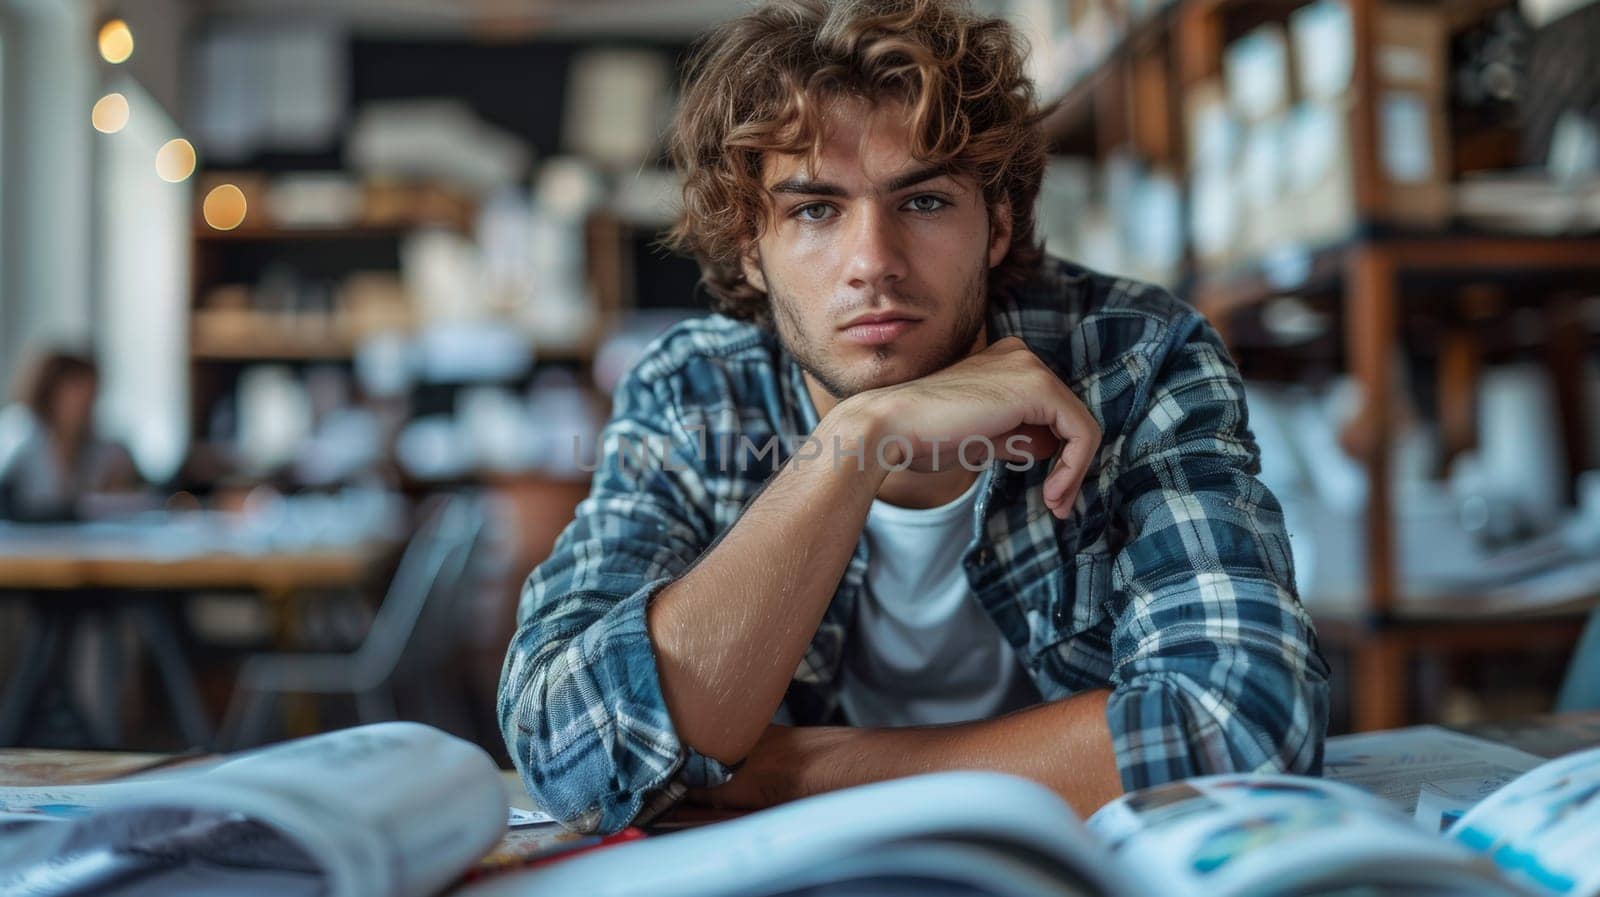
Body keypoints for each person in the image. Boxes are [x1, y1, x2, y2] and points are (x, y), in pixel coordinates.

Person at [499, 0, 1329, 834]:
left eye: (924, 202)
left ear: (997, 223)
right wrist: (857, 440)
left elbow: (1242, 726)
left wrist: (784, 773)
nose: (874, 264)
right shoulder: (694, 394)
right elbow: (569, 751)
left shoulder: (1133, 357)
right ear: (752, 248)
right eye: (815, 209)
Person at [0, 350, 140, 521]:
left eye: (91, 396)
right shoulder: (18, 433)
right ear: (50, 392)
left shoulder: (103, 449)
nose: (85, 404)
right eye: (76, 393)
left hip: (76, 545)